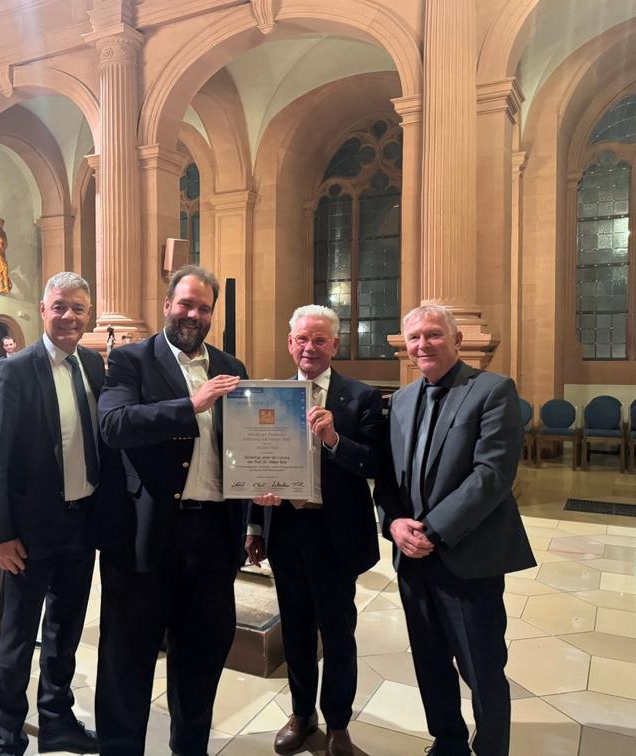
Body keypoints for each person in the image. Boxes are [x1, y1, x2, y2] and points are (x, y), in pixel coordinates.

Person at [95, 264, 248, 756]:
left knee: (202, 658)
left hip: (213, 536)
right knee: (127, 660)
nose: (193, 314)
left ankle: (190, 748)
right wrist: (191, 404)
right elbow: (114, 425)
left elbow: (244, 446)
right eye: (185, 304)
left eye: (204, 307)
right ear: (167, 305)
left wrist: (263, 483)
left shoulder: (232, 366)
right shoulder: (131, 360)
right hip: (146, 536)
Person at [374, 305, 535, 756]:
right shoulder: (402, 400)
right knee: (430, 662)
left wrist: (433, 530)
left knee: (482, 667)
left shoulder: (492, 390)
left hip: (467, 557)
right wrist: (394, 522)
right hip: (413, 560)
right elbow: (388, 477)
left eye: (433, 334)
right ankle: (448, 741)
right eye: (414, 338)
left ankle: (491, 748)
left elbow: (492, 475)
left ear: (457, 340)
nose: (422, 345)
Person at [0, 272, 121, 755]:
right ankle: (7, 735)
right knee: (17, 638)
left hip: (82, 523)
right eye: (60, 306)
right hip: (28, 532)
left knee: (65, 631)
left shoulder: (93, 364)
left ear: (89, 315)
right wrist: (0, 534)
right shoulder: (15, 369)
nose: (69, 316)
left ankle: (57, 719)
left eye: (79, 309)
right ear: (43, 310)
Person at [245, 305, 384, 756]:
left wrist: (334, 440)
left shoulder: (361, 397)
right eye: (302, 339)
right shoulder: (269, 396)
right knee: (296, 630)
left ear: (334, 345)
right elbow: (255, 461)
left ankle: (338, 724)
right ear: (290, 343)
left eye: (319, 339)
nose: (310, 347)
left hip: (335, 534)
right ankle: (302, 714)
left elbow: (375, 462)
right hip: (287, 531)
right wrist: (255, 522)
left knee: (338, 633)